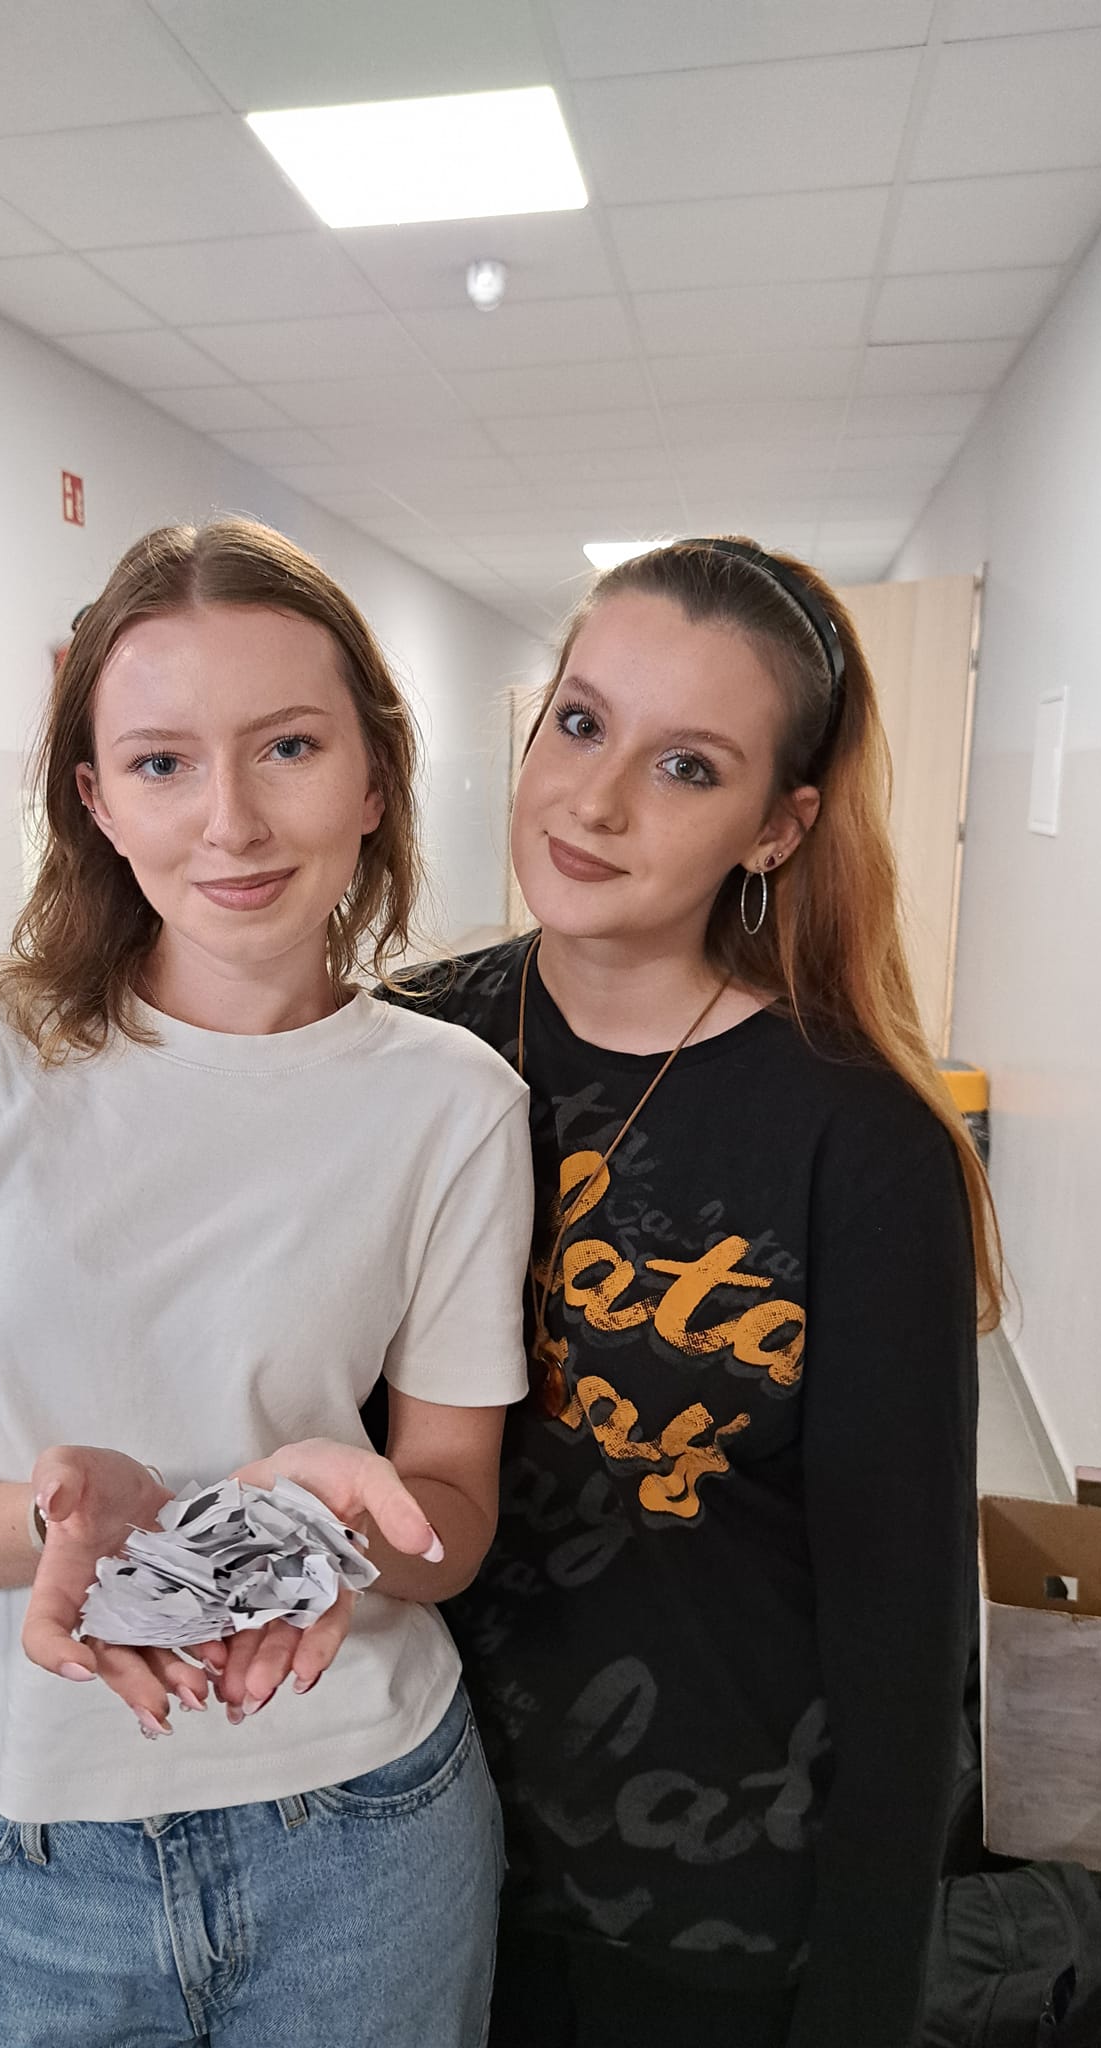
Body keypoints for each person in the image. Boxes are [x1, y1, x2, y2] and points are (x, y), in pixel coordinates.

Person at [0, 519, 533, 2048]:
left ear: (375, 775)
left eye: (289, 747)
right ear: (93, 796)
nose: (232, 823)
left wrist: (341, 1526)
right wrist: (64, 1521)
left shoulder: (456, 1100)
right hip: (33, 1849)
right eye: (160, 763)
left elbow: (451, 1521)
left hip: (363, 1827)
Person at [385, 537, 1000, 2047]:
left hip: (709, 1898)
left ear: (777, 827)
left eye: (687, 767)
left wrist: (864, 1995)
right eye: (581, 723)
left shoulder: (858, 1140)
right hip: (396, 1842)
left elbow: (906, 1635)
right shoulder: (396, 1054)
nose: (594, 800)